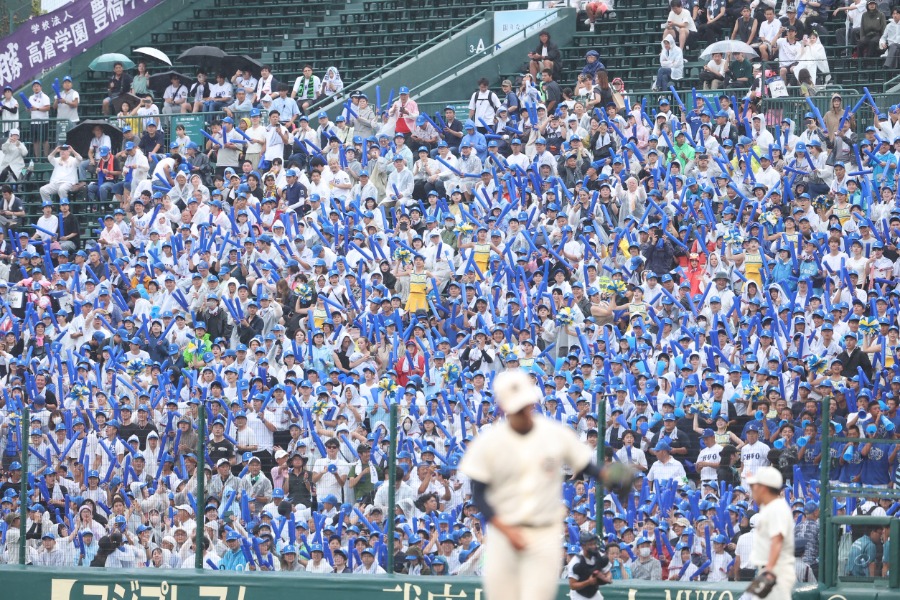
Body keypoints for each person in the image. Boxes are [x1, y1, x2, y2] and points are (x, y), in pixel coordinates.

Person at [459, 369, 629, 600]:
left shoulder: (552, 433)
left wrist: (611, 477)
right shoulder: (489, 442)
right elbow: (479, 493)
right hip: (505, 530)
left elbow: (587, 466)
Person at [747, 466, 796, 600]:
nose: (752, 491)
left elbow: (777, 541)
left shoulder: (777, 508)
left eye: (755, 486)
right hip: (770, 569)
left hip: (775, 571)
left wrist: (769, 571)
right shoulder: (771, 506)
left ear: (763, 488)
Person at [567, 531, 612, 599]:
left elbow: (608, 572)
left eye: (594, 543)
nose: (594, 546)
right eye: (590, 544)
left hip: (594, 593)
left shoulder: (599, 556)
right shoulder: (576, 561)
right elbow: (572, 585)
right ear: (583, 546)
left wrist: (606, 578)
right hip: (579, 594)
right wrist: (588, 582)